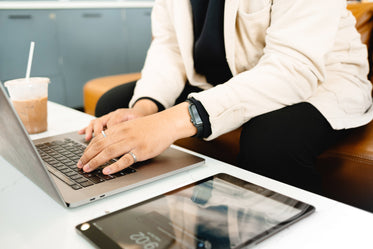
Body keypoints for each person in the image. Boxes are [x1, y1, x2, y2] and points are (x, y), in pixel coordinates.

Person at [77, 0, 373, 193]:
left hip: (318, 80)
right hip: (229, 77)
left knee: (270, 141)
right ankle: (146, 208)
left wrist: (172, 121)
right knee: (115, 105)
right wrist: (144, 110)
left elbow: (293, 67)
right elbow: (169, 47)